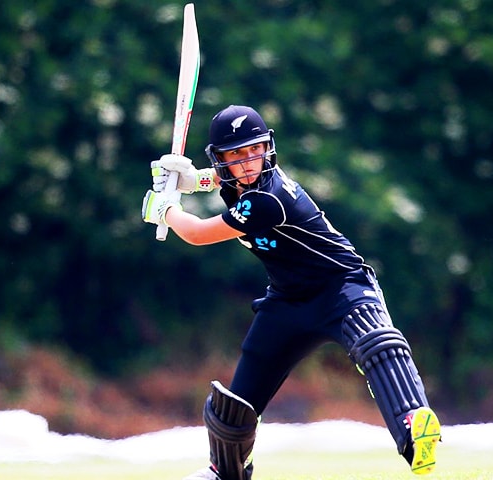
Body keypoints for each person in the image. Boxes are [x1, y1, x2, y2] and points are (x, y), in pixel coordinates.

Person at [141, 105, 441, 479]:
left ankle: (414, 427)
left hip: (342, 286)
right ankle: (226, 471)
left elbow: (199, 233)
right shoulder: (237, 182)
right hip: (287, 301)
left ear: (268, 148)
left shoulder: (269, 198)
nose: (250, 161)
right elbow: (221, 181)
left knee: (377, 344)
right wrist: (190, 181)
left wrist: (165, 209)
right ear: (221, 161)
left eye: (256, 149)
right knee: (234, 405)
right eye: (237, 154)